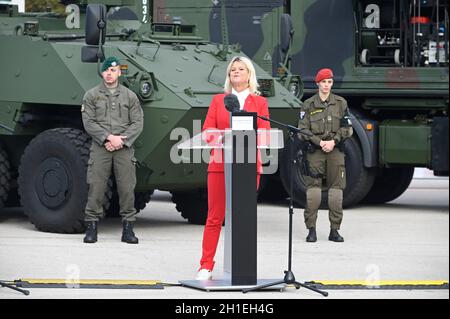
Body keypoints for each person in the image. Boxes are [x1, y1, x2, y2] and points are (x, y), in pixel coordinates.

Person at [196, 56, 271, 280]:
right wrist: (226, 136)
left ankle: (242, 266)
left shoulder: (260, 103)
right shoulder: (220, 100)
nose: (236, 72)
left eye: (241, 69)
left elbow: (266, 134)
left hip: (248, 166)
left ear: (249, 74)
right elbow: (208, 131)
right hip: (220, 165)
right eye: (232, 70)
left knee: (243, 217)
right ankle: (206, 265)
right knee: (214, 217)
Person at [81, 56, 144, 244]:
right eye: (107, 70)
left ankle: (128, 229)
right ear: (102, 72)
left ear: (119, 73)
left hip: (124, 147)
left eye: (113, 71)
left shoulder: (129, 96)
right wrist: (109, 138)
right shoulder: (91, 95)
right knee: (96, 186)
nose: (109, 74)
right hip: (101, 146)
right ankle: (91, 227)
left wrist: (120, 141)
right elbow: (89, 123)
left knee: (127, 188)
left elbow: (138, 122)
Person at [297, 68, 353, 243]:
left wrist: (334, 141)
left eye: (329, 82)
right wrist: (318, 142)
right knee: (313, 192)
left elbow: (347, 128)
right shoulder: (308, 104)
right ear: (317, 83)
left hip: (335, 150)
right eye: (323, 82)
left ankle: (334, 230)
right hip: (315, 151)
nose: (327, 85)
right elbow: (302, 129)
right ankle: (311, 230)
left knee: (336, 192)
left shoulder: (341, 103)